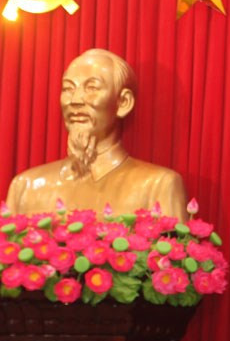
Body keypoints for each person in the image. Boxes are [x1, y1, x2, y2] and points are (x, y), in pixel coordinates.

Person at [5, 48, 188, 220]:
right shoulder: (25, 186)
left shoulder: (158, 186)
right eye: (68, 88)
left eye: (92, 88)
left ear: (123, 102)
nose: (75, 100)